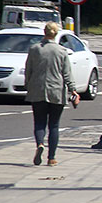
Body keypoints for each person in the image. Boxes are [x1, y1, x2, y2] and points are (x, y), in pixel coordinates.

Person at [25, 22, 79, 166]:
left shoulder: (34, 49)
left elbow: (28, 70)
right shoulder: (62, 51)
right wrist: (73, 89)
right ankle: (52, 157)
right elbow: (67, 73)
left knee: (39, 122)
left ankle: (40, 144)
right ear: (56, 34)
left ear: (45, 32)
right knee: (54, 125)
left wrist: (28, 86)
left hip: (37, 89)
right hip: (56, 91)